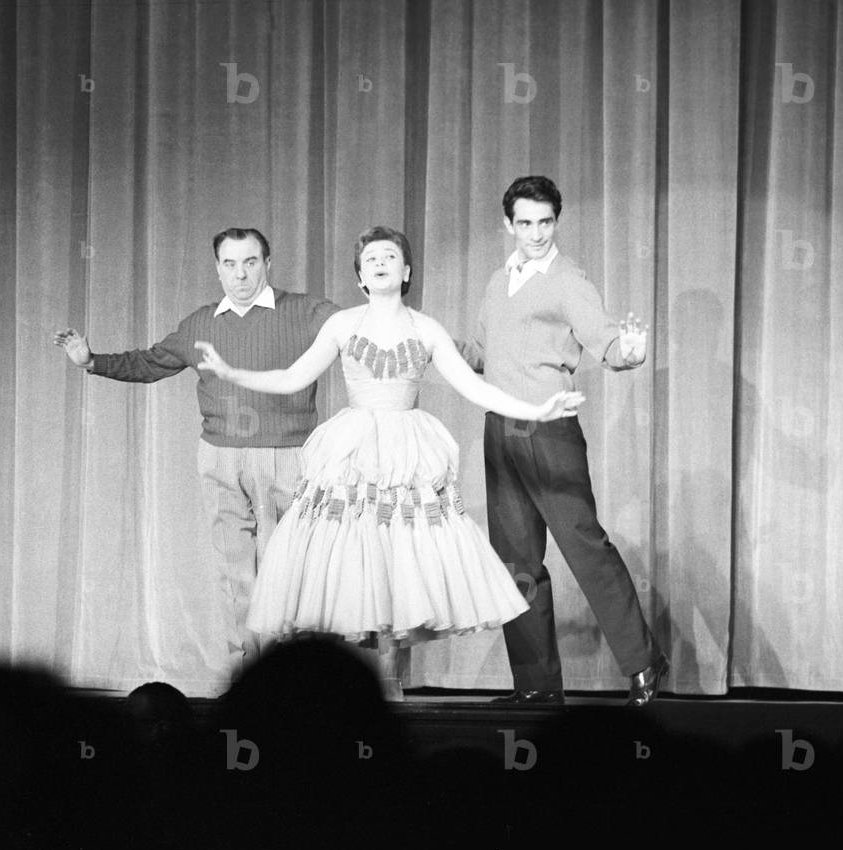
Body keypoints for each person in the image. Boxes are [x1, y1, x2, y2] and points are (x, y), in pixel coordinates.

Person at [195, 225, 584, 699]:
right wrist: (232, 372)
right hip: (353, 450)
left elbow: (476, 388)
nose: (379, 263)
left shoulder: (425, 328)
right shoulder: (341, 325)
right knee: (347, 560)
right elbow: (294, 376)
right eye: (370, 258)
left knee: (401, 561)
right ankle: (326, 687)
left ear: (406, 271)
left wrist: (537, 409)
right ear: (360, 275)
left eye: (389, 256)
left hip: (406, 450)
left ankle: (393, 684)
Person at [54, 228, 338, 667]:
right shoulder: (201, 322)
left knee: (288, 572)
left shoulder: (307, 312)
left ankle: (288, 677)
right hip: (221, 457)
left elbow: (365, 335)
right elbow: (151, 361)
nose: (241, 274)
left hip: (289, 454)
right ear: (217, 268)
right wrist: (92, 361)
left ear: (268, 263)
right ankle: (248, 674)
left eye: (250, 262)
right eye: (230, 264)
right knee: (235, 572)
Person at [461, 175, 668, 706]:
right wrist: (431, 347)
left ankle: (643, 661)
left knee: (584, 547)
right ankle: (535, 684)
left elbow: (605, 341)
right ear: (508, 224)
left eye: (545, 222)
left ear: (557, 221)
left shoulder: (568, 279)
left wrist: (631, 350)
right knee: (516, 563)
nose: (536, 233)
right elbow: (480, 352)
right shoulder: (496, 280)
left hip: (550, 430)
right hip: (500, 428)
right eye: (525, 223)